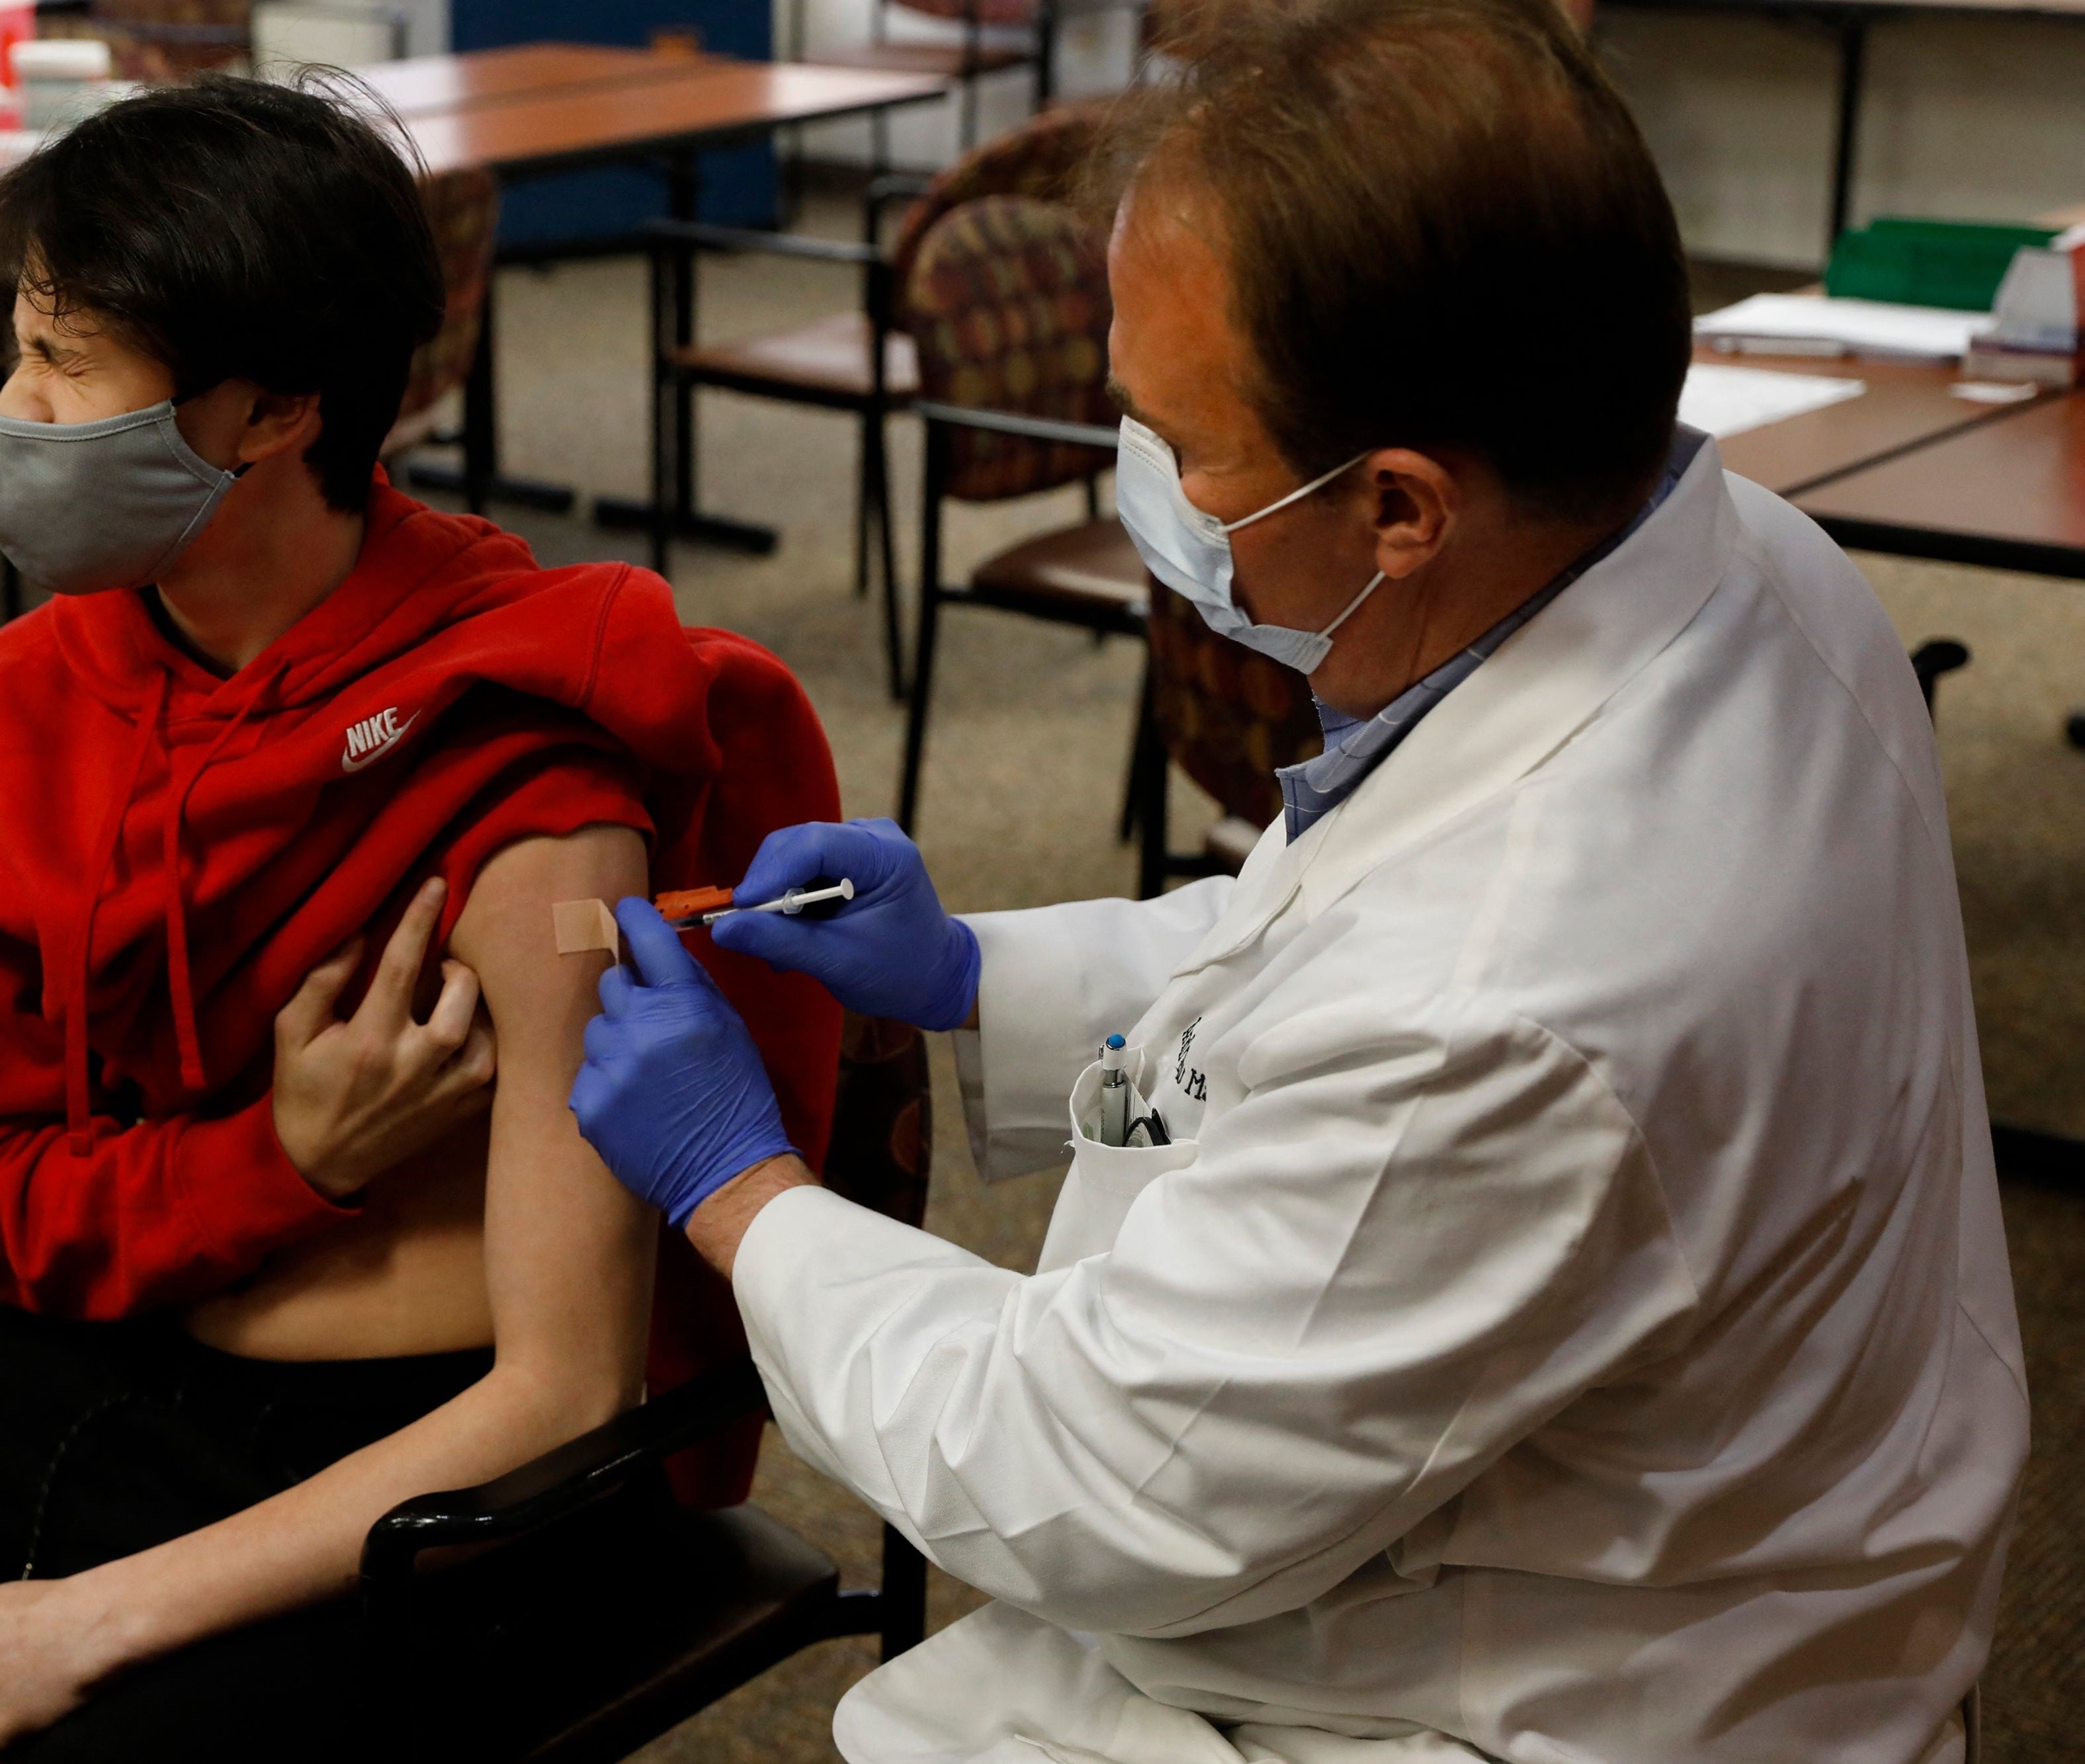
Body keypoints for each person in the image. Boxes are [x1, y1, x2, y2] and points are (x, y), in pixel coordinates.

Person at [568, 1, 2029, 1759]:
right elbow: (1323, 937)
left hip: (1540, 1700)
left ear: (1402, 506)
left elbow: (1089, 1476)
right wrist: (974, 967)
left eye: (1186, 447)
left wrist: (738, 1194)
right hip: (1721, 1527)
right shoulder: (1734, 562)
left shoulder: (1512, 996)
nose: (1156, 497)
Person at [0, 75, 841, 1763]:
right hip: (80, 1370)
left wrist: (107, 1610)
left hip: (434, 1471)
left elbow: (562, 1390)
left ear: (272, 410)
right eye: (17, 350)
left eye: (62, 362)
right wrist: (288, 1158)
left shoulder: (521, 754)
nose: (9, 408)